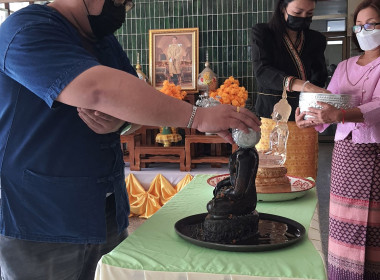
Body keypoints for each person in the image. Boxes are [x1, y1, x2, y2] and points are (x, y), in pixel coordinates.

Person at [0, 0, 261, 279]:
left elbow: (134, 103)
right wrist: (197, 117)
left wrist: (121, 121)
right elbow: (96, 89)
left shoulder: (103, 42)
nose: (123, 9)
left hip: (104, 210)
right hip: (40, 219)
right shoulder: (26, 30)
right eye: (119, 1)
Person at [296, 0, 380, 278]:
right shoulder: (344, 66)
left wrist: (340, 115)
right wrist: (308, 119)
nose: (363, 30)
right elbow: (326, 103)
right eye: (358, 26)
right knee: (343, 223)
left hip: (374, 156)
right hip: (345, 155)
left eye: (371, 25)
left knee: (372, 227)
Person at [251, 0, 328, 179]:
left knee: (303, 178)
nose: (303, 18)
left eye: (309, 14)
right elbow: (262, 72)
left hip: (305, 118)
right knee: (269, 176)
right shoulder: (263, 33)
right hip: (272, 117)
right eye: (298, 12)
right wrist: (304, 85)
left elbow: (320, 76)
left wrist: (312, 100)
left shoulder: (316, 39)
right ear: (282, 8)